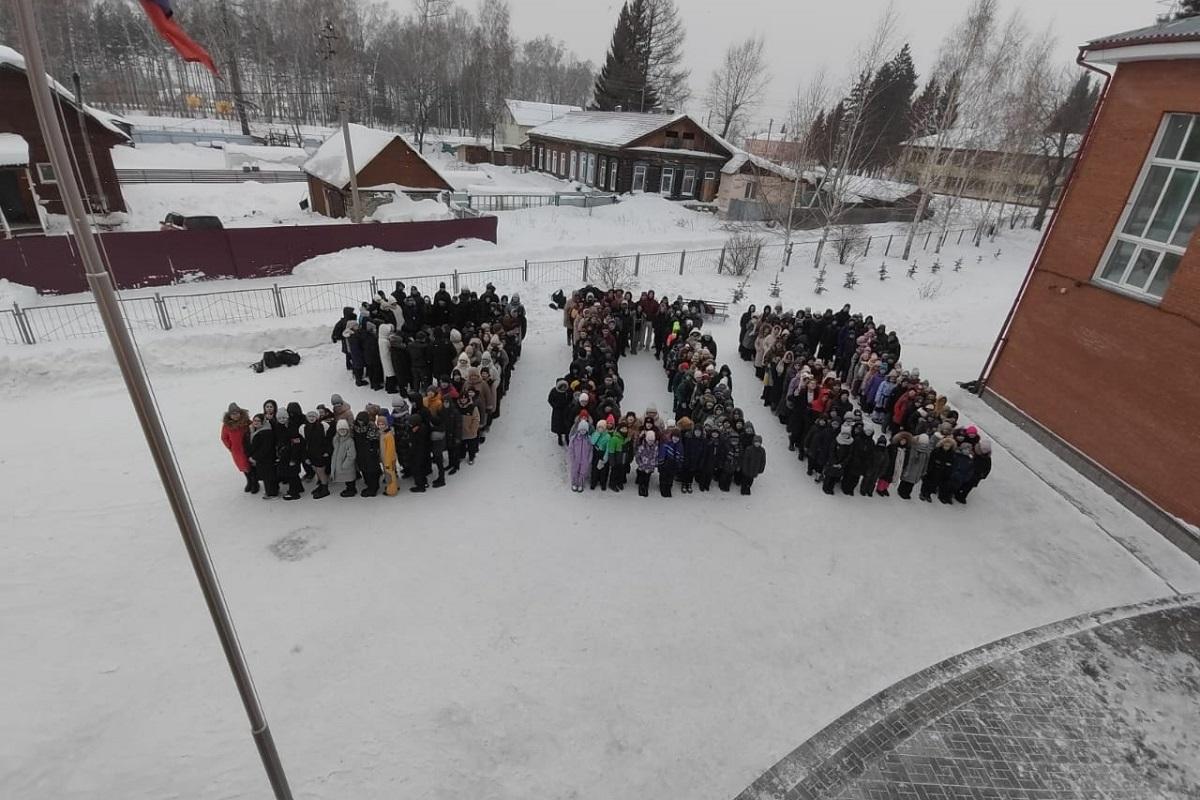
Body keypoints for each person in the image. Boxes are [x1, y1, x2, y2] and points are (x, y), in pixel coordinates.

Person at [221, 403, 256, 494]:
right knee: (243, 466)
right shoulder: (226, 426)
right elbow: (224, 437)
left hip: (248, 449)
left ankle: (255, 483)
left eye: (237, 413)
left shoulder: (247, 422)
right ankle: (249, 481)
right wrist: (230, 446)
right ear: (229, 415)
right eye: (233, 414)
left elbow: (254, 430)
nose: (235, 416)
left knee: (251, 466)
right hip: (237, 451)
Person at [248, 413, 279, 499]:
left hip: (266, 459)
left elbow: (265, 448)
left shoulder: (265, 432)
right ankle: (273, 491)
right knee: (268, 476)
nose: (256, 422)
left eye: (258, 421)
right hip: (264, 459)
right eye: (254, 420)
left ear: (263, 422)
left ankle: (271, 494)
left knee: (268, 477)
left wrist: (254, 457)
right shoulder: (260, 430)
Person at [303, 410, 331, 499]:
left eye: (313, 416)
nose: (311, 418)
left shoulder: (323, 426)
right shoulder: (304, 428)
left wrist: (327, 451)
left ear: (317, 417)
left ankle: (325, 488)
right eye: (309, 416)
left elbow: (328, 440)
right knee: (315, 469)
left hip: (321, 453)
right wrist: (305, 456)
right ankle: (321, 486)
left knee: (321, 471)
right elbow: (304, 443)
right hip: (311, 453)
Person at [330, 418, 358, 497]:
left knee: (350, 479)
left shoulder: (349, 441)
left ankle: (352, 490)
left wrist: (345, 465)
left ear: (347, 430)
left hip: (347, 465)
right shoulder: (336, 440)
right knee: (346, 479)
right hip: (339, 463)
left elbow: (351, 455)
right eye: (340, 430)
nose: (342, 431)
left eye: (344, 430)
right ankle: (349, 489)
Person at [567, 419, 592, 492]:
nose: (583, 431)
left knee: (583, 472)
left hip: (585, 459)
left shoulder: (589, 439)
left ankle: (581, 484)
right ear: (578, 430)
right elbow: (571, 449)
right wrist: (572, 457)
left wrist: (589, 459)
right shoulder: (574, 439)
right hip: (576, 459)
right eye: (581, 430)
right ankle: (574, 483)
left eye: (584, 430)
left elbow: (591, 450)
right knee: (574, 471)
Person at [378, 416, 399, 496]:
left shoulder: (388, 435)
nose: (381, 426)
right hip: (385, 459)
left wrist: (387, 461)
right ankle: (394, 486)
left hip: (388, 459)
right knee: (390, 474)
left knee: (390, 475)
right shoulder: (382, 433)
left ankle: (391, 490)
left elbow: (390, 450)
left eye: (382, 424)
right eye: (379, 424)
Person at [548, 379, 573, 446]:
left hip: (566, 411)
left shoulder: (568, 391)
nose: (563, 388)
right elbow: (550, 400)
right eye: (562, 387)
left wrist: (569, 405)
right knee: (558, 425)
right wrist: (555, 406)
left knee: (567, 425)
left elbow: (571, 399)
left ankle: (567, 438)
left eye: (564, 386)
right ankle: (559, 437)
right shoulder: (554, 391)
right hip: (558, 411)